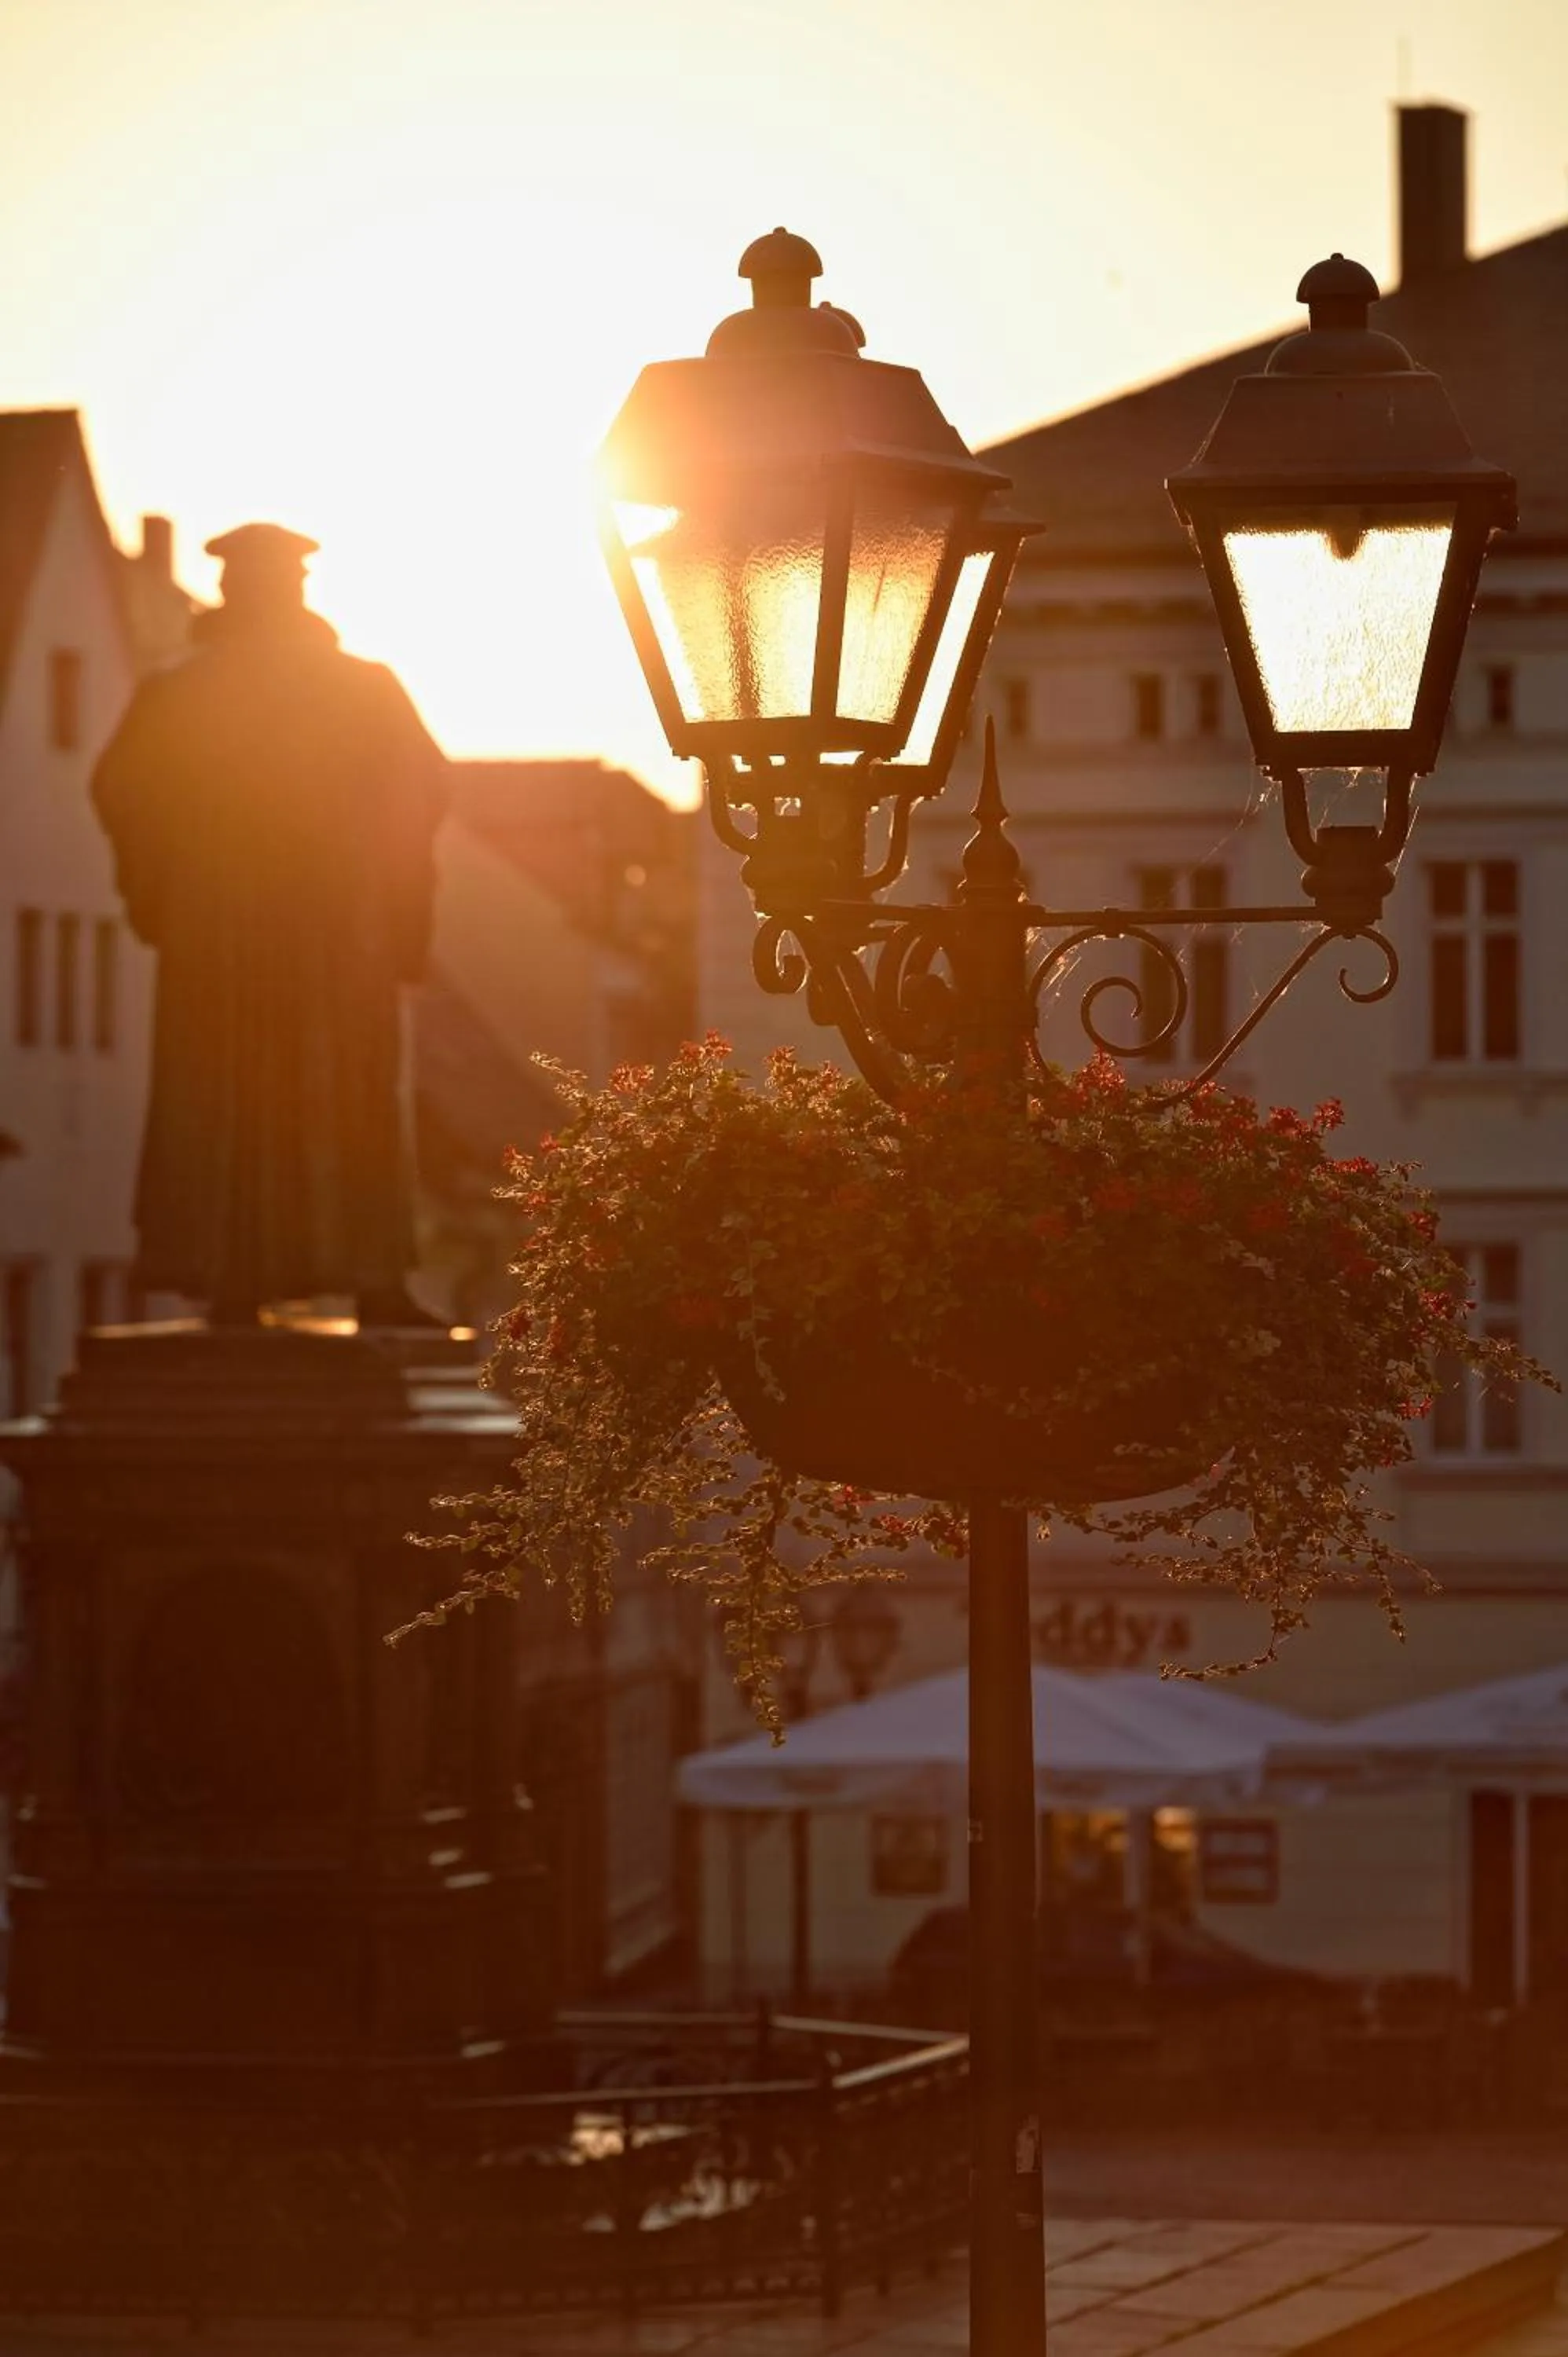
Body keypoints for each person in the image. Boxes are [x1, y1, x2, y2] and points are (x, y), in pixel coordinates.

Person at [91, 523, 447, 1326]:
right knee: (347, 1093)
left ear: (227, 594)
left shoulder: (178, 694)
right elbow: (419, 800)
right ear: (298, 593)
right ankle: (373, 1277)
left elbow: (122, 795)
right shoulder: (364, 688)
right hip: (334, 930)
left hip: (220, 933)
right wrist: (398, 916)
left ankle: (234, 1280)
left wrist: (165, 895)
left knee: (229, 1095)